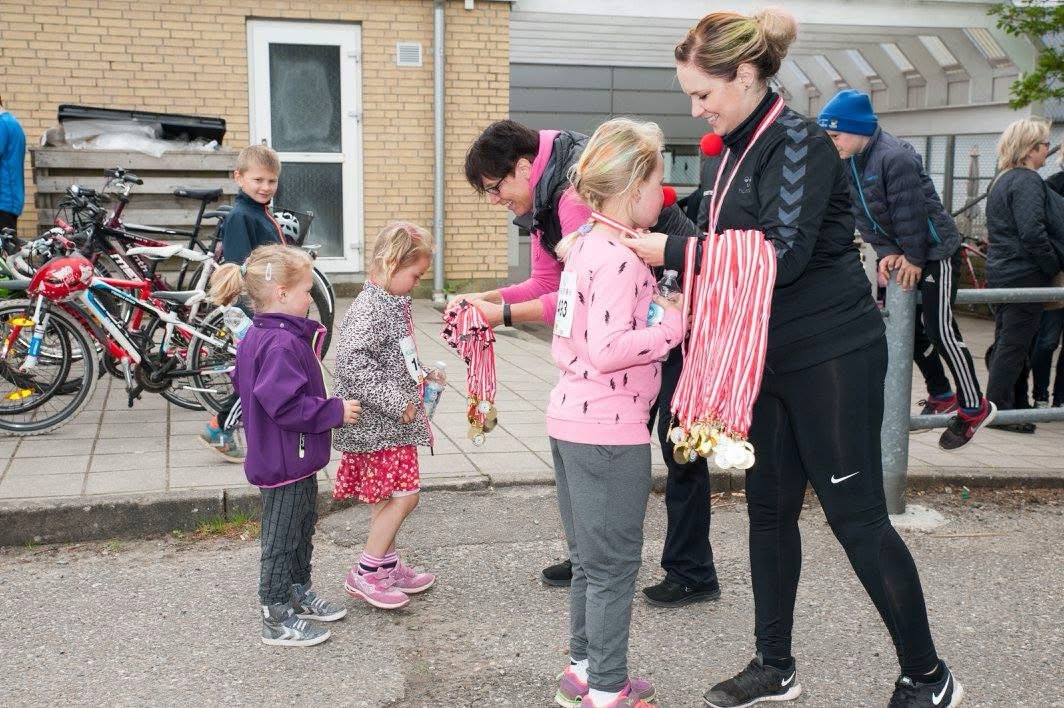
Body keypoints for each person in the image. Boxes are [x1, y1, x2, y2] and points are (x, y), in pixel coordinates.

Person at [621, 9, 964, 707]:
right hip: (767, 357)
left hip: (832, 351)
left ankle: (930, 676)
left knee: (855, 516)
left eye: (704, 94)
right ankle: (773, 667)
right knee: (768, 510)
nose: (697, 108)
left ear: (745, 75)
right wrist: (641, 216)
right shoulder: (734, 148)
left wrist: (673, 250)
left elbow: (779, 253)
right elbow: (722, 232)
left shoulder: (801, 140)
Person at [461, 121, 721, 609]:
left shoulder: (571, 191)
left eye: (495, 189)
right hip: (636, 326)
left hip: (674, 309)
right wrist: (490, 297)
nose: (495, 200)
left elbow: (581, 290)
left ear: (522, 168)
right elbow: (545, 281)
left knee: (678, 441)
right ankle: (594, 556)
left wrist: (504, 314)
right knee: (616, 440)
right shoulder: (544, 195)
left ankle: (687, 569)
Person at [548, 117, 681, 708]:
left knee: (589, 560)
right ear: (631, 190)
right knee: (614, 567)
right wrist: (672, 326)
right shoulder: (622, 259)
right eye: (659, 183)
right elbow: (608, 350)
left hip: (570, 418)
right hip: (609, 427)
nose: (665, 196)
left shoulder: (584, 248)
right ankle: (607, 687)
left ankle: (586, 666)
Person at [817, 89, 995, 449]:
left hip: (936, 253)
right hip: (907, 252)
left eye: (834, 135)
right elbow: (864, 215)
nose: (830, 142)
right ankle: (941, 392)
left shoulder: (893, 157)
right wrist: (886, 251)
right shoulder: (850, 159)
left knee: (940, 327)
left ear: (856, 129)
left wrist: (912, 257)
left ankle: (975, 405)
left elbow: (910, 212)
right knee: (908, 329)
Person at [210, 244, 360, 647]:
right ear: (280, 294)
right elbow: (285, 404)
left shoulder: (274, 335)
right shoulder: (279, 343)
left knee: (300, 527)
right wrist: (334, 411)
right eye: (307, 290)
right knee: (281, 536)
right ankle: (275, 615)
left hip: (293, 456)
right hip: (283, 460)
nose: (311, 297)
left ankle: (297, 591)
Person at [332, 222, 437, 611]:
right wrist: (396, 401)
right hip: (380, 425)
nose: (417, 283)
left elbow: (393, 357)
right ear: (393, 264)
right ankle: (366, 572)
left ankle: (387, 564)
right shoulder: (372, 308)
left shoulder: (389, 303)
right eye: (415, 275)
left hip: (389, 425)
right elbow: (352, 363)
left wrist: (421, 372)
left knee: (391, 496)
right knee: (405, 497)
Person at [200, 144, 289, 461]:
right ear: (239, 177)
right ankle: (219, 426)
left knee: (262, 374)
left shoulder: (259, 212)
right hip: (253, 312)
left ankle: (229, 427)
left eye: (272, 181)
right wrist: (262, 312)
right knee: (259, 377)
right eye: (258, 180)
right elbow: (242, 268)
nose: (265, 187)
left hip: (266, 308)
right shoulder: (241, 217)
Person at [984, 117, 1063, 433]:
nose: (1048, 150)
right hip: (1024, 273)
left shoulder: (1002, 179)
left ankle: (1013, 404)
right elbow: (1032, 232)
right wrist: (1050, 265)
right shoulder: (1028, 182)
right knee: (1015, 344)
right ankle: (999, 409)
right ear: (1031, 149)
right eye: (1045, 145)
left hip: (1004, 271)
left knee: (1009, 340)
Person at [1031, 162, 1064, 408]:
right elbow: (1040, 227)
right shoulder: (1052, 184)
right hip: (1058, 273)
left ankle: (1060, 398)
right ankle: (1040, 394)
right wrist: (1052, 264)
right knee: (1047, 340)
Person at [0, 94, 26, 233]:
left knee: (6, 252)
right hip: (9, 199)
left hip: (3, 199)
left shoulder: (2, 124)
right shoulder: (11, 122)